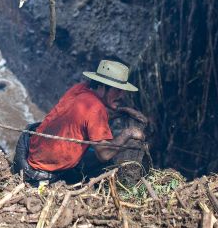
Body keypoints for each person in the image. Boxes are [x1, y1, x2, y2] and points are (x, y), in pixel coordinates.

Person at [12, 59, 147, 183]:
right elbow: (104, 154)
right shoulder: (95, 108)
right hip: (41, 172)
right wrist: (128, 133)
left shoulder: (80, 89)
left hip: (30, 155)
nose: (121, 95)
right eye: (117, 90)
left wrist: (120, 112)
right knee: (108, 164)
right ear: (101, 87)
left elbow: (86, 120)